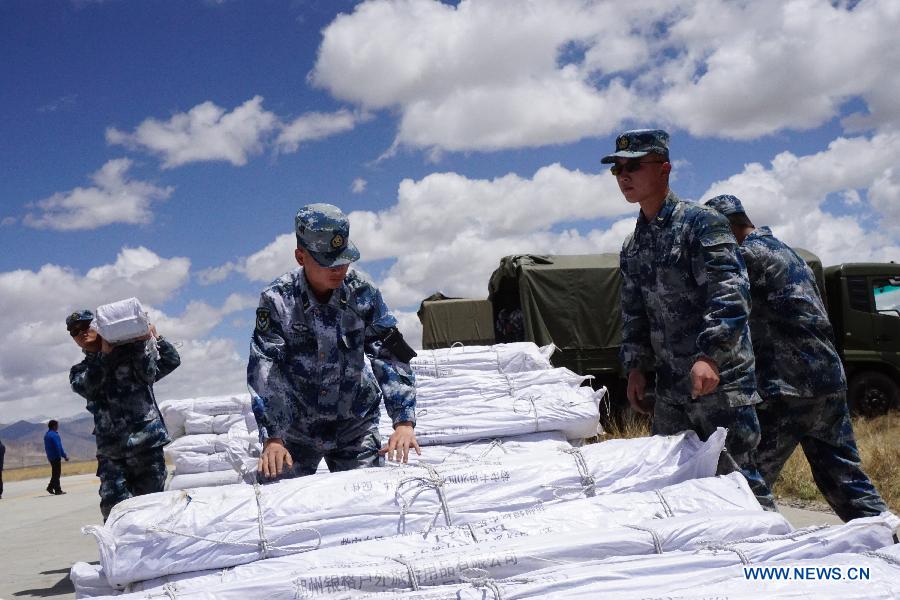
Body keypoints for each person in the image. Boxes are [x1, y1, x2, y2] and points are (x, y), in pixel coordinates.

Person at [607, 129, 774, 509]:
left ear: (664, 169)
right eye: (617, 169)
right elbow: (634, 312)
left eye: (634, 165)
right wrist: (636, 369)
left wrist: (710, 355)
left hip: (720, 384)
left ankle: (770, 560)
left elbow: (731, 294)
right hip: (671, 389)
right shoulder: (634, 244)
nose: (623, 175)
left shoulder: (703, 224)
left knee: (739, 487)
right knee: (673, 487)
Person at [704, 194, 889, 521]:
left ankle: (760, 551)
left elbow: (723, 307)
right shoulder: (786, 252)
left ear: (728, 228)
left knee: (744, 479)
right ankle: (888, 543)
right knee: (845, 477)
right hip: (828, 381)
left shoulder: (748, 256)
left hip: (787, 387)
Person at [249, 203, 419, 480]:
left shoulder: (362, 293)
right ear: (301, 256)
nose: (338, 268)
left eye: (343, 259)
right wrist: (273, 437)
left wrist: (403, 421)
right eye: (327, 261)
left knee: (370, 500)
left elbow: (388, 354)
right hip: (296, 429)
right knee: (280, 507)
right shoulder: (277, 300)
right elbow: (266, 369)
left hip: (354, 424)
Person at [67, 309, 181, 521]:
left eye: (86, 326)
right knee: (114, 511)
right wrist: (105, 356)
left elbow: (171, 361)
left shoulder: (132, 356)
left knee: (154, 509)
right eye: (74, 331)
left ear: (98, 326)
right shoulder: (80, 371)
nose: (81, 332)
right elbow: (88, 387)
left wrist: (154, 337)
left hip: (147, 445)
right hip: (112, 453)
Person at [43, 419, 69, 495]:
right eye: (57, 425)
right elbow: (58, 447)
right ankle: (57, 490)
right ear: (54, 426)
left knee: (55, 473)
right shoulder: (54, 435)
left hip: (50, 456)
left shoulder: (47, 435)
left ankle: (50, 487)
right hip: (56, 456)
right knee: (57, 473)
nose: (58, 427)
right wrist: (64, 456)